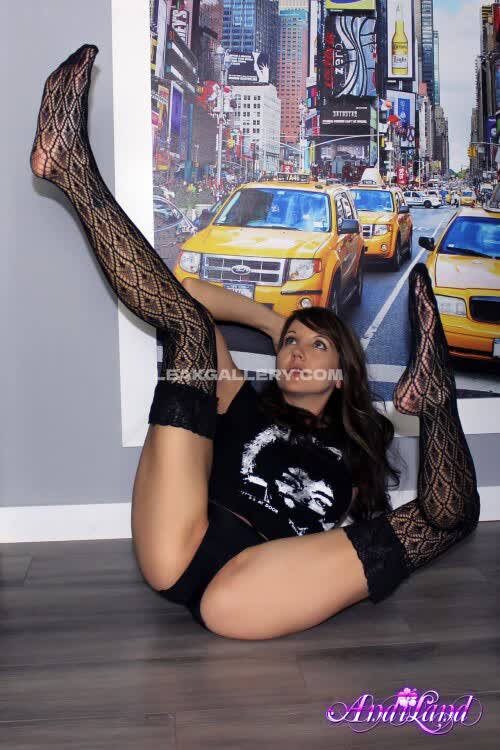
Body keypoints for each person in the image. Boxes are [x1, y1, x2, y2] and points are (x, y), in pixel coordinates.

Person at [30, 45, 480, 640]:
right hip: (184, 543)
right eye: (292, 342)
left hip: (261, 587)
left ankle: (438, 395)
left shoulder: (358, 451)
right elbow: (186, 292)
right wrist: (272, 321)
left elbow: (404, 525)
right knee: (191, 330)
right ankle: (71, 169)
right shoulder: (240, 399)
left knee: (447, 518)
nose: (296, 350)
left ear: (344, 370)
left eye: (317, 346)